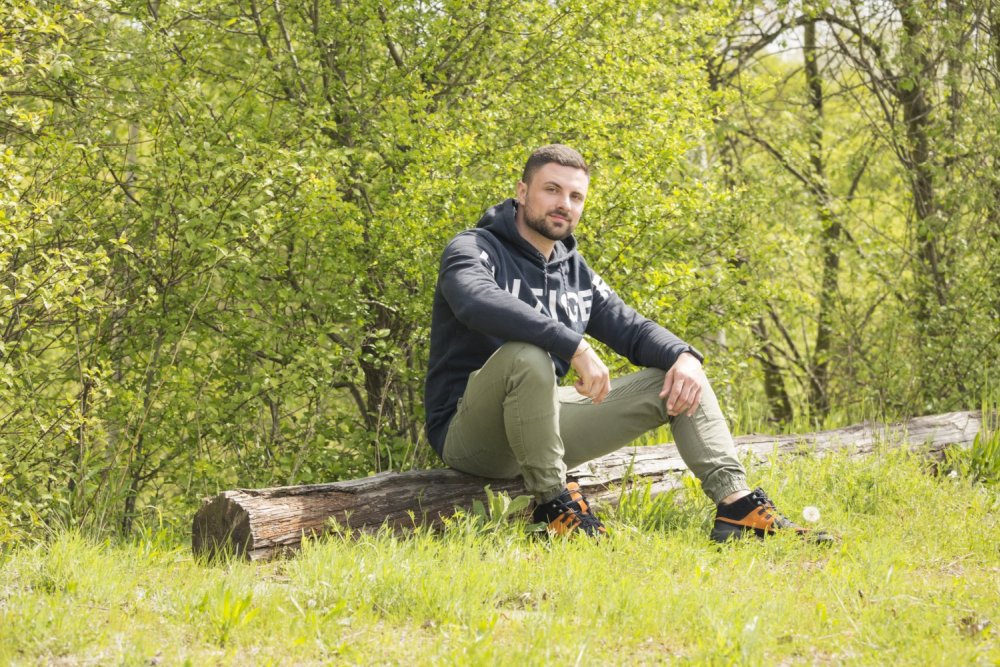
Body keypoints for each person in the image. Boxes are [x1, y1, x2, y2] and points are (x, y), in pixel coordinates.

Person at [424, 144, 827, 542]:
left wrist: (684, 354)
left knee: (678, 373)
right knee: (526, 355)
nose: (564, 203)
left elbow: (632, 329)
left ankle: (737, 508)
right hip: (470, 432)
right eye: (552, 189)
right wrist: (575, 346)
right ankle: (553, 505)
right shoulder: (474, 248)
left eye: (576, 196)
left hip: (540, 423)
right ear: (523, 191)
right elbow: (475, 299)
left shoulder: (573, 271)